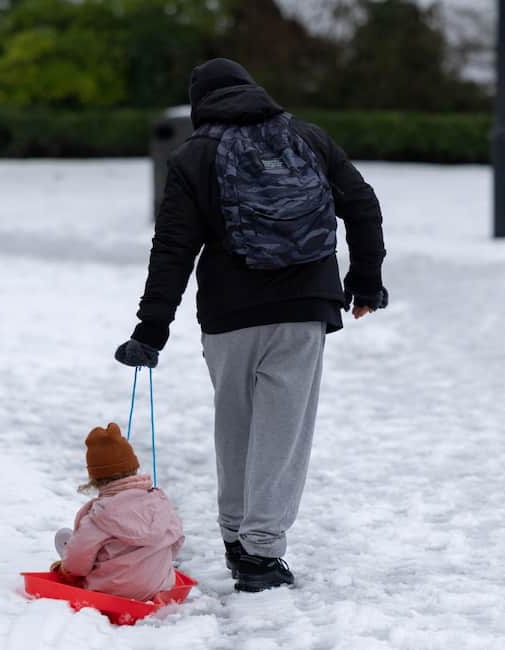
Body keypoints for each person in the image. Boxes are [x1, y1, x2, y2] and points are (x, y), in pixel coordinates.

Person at [114, 58, 387, 592]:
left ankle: (238, 540)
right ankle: (262, 552)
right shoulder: (307, 137)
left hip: (229, 313)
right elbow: (362, 204)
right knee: (283, 431)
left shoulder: (194, 155)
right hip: (304, 307)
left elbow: (173, 249)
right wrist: (365, 282)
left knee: (234, 424)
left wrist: (151, 330)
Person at [51, 423, 185, 601]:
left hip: (109, 591)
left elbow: (78, 559)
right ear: (134, 467)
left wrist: (66, 570)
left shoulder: (100, 515)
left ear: (94, 478)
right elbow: (176, 539)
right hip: (158, 587)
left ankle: (70, 558)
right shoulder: (160, 504)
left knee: (74, 545)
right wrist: (155, 562)